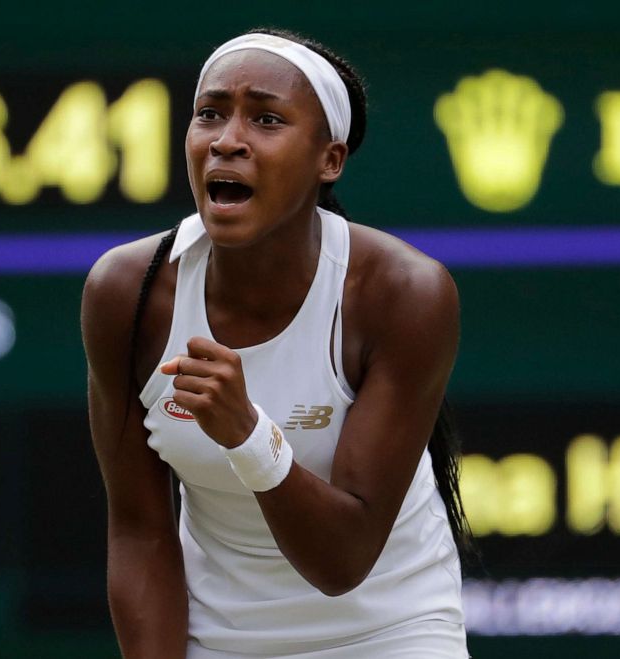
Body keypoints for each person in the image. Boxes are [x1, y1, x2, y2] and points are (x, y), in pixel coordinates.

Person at [81, 28, 470, 658]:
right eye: (210, 114)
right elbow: (139, 531)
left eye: (265, 118)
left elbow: (343, 561)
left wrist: (247, 435)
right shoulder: (125, 292)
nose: (227, 140)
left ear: (330, 159)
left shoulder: (404, 293)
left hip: (390, 628)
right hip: (219, 637)